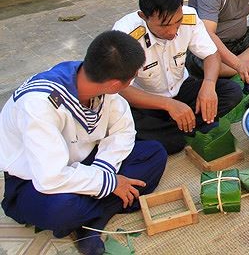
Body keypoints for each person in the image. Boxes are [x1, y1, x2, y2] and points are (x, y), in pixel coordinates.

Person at [0, 31, 167, 255]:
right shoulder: (37, 104)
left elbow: (123, 130)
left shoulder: (97, 80)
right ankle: (93, 218)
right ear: (116, 84)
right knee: (61, 210)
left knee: (154, 154)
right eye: (131, 79)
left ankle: (89, 221)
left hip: (87, 162)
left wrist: (104, 172)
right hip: (33, 180)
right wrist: (111, 184)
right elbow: (50, 177)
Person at [113, 0, 243, 155]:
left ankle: (180, 125)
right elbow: (122, 90)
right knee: (168, 142)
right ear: (143, 16)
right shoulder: (126, 36)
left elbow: (211, 54)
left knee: (232, 92)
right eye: (164, 26)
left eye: (177, 22)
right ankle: (186, 126)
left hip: (181, 89)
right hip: (146, 103)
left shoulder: (189, 18)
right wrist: (168, 105)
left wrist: (209, 85)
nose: (173, 31)